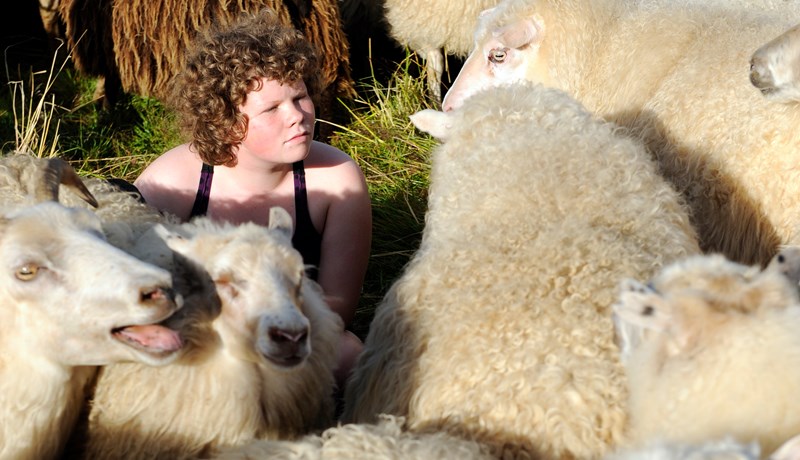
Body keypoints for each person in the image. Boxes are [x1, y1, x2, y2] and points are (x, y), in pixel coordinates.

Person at [133, 10, 372, 392]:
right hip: (204, 330)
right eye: (271, 109)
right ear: (226, 122)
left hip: (294, 329)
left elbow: (336, 309)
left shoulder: (337, 178)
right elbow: (140, 284)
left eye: (300, 96)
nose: (297, 116)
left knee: (348, 357)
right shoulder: (172, 182)